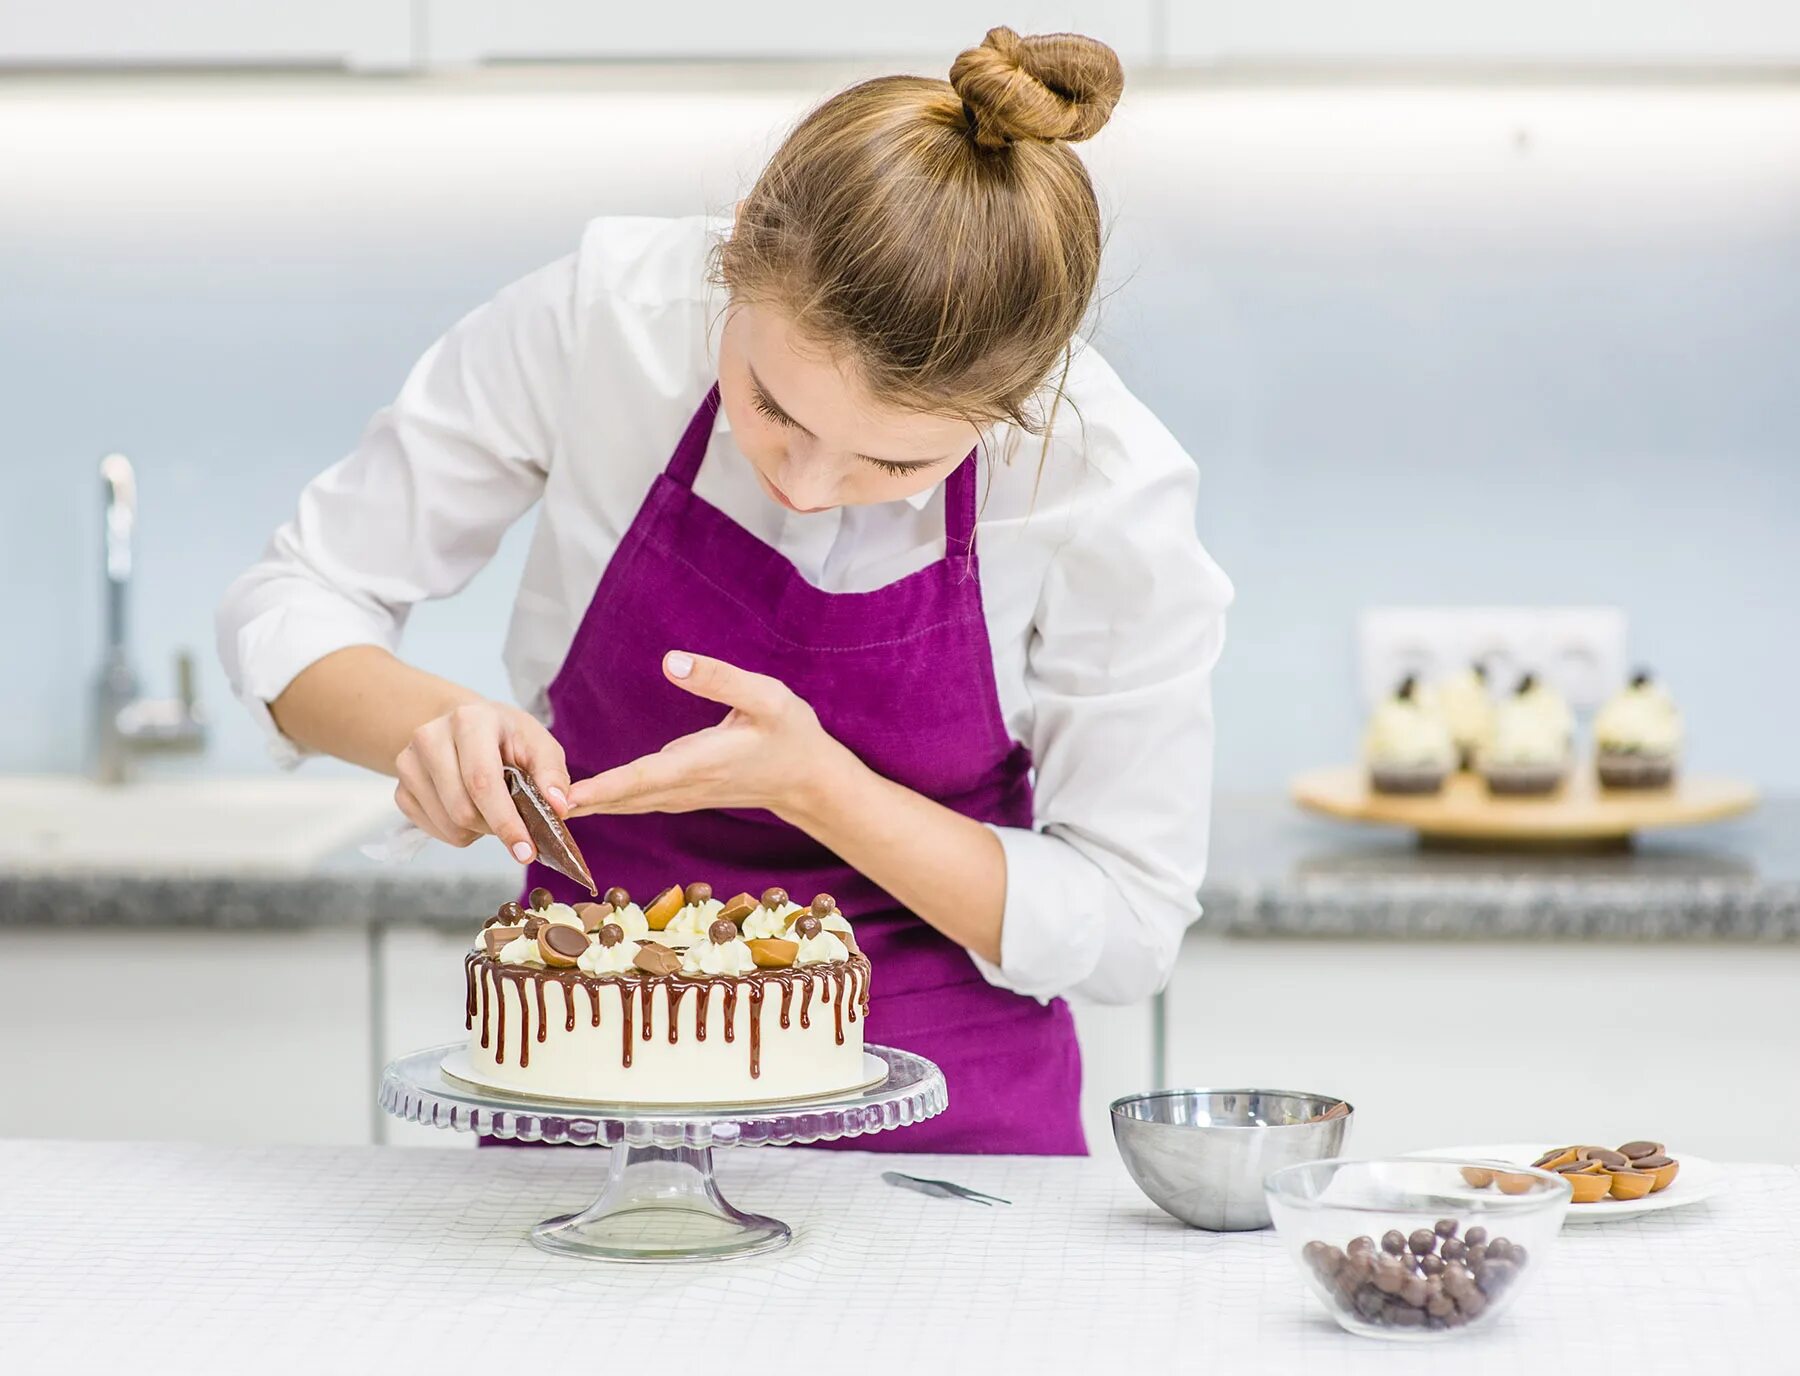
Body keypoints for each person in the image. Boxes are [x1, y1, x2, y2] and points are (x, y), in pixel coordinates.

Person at [218, 27, 1231, 1154]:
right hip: (589, 1099)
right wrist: (431, 728)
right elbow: (294, 597)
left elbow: (1130, 924)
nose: (805, 487)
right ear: (733, 264)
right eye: (772, 405)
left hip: (949, 1145)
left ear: (1017, 404)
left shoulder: (1105, 484)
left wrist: (821, 788)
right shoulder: (608, 322)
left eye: (894, 465)